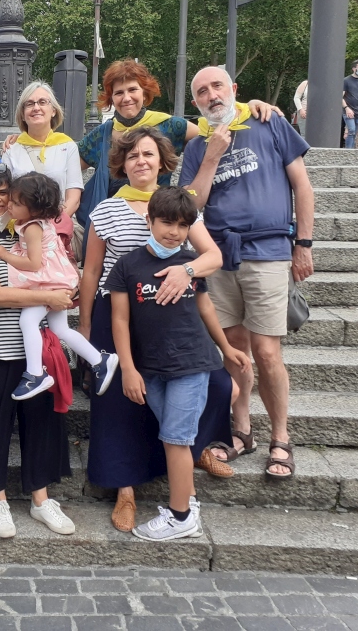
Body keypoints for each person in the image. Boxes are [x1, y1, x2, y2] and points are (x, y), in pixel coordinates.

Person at [78, 126, 232, 532]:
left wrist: (185, 270)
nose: (140, 162)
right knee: (117, 404)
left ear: (162, 161)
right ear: (121, 164)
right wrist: (85, 321)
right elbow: (92, 270)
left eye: (147, 154)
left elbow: (211, 255)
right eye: (131, 156)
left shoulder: (176, 205)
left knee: (214, 384)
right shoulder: (106, 209)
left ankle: (191, 448)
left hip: (171, 319)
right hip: (119, 314)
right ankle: (124, 489)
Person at [181, 66, 315, 479]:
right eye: (202, 92)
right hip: (220, 256)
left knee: (268, 352)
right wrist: (212, 155)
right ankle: (241, 431)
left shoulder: (268, 120)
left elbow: (302, 186)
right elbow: (191, 205)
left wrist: (303, 244)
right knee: (232, 351)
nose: (211, 95)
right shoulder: (197, 145)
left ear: (233, 89)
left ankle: (281, 436)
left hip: (268, 251)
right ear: (196, 103)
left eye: (217, 86)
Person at [106, 188, 249, 541]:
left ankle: (181, 516)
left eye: (183, 225)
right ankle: (186, 504)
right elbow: (120, 320)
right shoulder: (128, 265)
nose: (174, 231)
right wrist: (128, 368)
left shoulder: (191, 262)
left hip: (192, 363)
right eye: (167, 222)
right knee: (175, 439)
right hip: (150, 367)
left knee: (175, 439)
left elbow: (206, 308)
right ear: (149, 220)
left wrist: (227, 348)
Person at [0, 162, 78, 538]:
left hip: (40, 346)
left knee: (41, 423)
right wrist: (49, 296)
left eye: (2, 193)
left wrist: (60, 294)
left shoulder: (34, 230)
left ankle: (41, 499)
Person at [76, 59, 279, 243]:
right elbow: (69, 166)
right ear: (111, 98)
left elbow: (216, 127)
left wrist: (247, 107)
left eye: (132, 90)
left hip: (159, 222)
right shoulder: (101, 135)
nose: (126, 98)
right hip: (114, 228)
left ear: (144, 92)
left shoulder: (170, 126)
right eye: (119, 93)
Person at [0, 172, 117, 399]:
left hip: (48, 283)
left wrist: (5, 255)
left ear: (35, 209)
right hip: (58, 279)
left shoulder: (32, 228)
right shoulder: (39, 222)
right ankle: (100, 359)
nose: (10, 205)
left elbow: (33, 263)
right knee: (61, 329)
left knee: (27, 321)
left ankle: (35, 373)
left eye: (17, 203)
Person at [2, 81, 84, 257]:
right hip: (22, 234)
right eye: (29, 104)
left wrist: (50, 228)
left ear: (53, 110)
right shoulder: (12, 150)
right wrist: (30, 229)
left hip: (58, 233)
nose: (36, 107)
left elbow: (73, 198)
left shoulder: (67, 146)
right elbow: (7, 196)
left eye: (42, 102)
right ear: (22, 114)